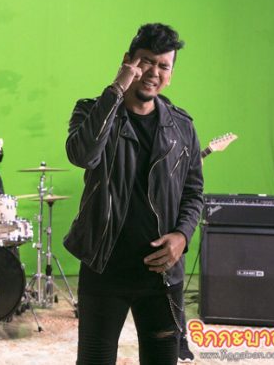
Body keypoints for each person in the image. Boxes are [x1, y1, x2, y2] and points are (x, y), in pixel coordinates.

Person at [64, 23, 204, 365]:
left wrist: (182, 236)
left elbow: (193, 191)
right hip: (103, 267)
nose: (153, 72)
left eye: (163, 66)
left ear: (170, 74)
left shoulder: (181, 126)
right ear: (129, 60)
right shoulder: (92, 111)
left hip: (161, 274)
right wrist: (117, 88)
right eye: (146, 62)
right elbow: (83, 155)